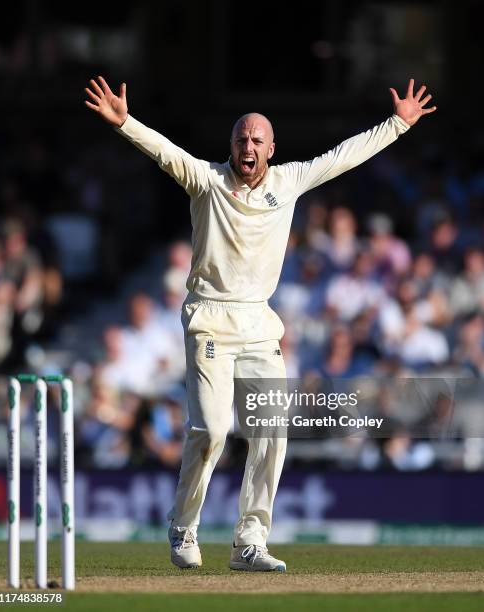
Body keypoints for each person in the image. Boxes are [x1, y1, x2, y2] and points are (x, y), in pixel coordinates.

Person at [85, 75, 436, 571]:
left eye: (256, 140)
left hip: (258, 324)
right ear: (230, 145)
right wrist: (125, 123)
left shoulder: (288, 181)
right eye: (240, 138)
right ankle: (183, 527)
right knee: (211, 429)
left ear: (271, 148)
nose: (247, 146)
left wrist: (397, 125)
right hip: (209, 316)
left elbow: (342, 155)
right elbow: (165, 152)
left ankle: (250, 541)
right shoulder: (206, 180)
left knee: (272, 429)